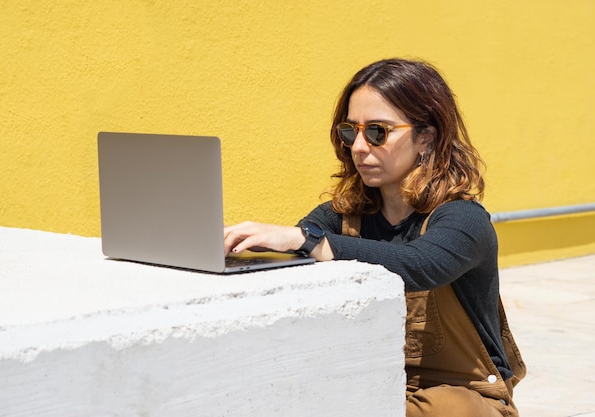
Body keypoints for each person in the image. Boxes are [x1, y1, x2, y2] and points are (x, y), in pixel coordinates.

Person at [223, 58, 526, 416]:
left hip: (463, 396)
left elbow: (420, 265)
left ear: (425, 137)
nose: (360, 147)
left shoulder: (462, 219)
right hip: (371, 386)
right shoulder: (343, 215)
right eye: (351, 132)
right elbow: (298, 262)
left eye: (378, 132)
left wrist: (309, 242)